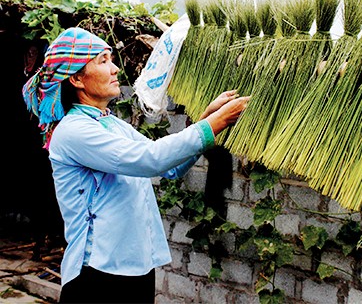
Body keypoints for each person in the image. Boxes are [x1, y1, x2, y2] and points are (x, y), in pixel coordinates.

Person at [22, 27, 250, 303]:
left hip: (136, 267)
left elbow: (169, 166)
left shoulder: (111, 123)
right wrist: (216, 123)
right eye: (103, 61)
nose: (115, 68)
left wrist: (205, 119)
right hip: (98, 273)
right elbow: (151, 160)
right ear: (78, 79)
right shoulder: (74, 131)